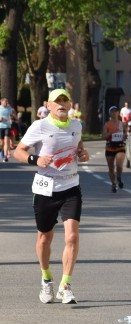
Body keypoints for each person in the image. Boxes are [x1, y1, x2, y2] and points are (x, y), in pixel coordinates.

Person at [13, 88, 91, 304]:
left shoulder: (76, 125)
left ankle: (65, 285)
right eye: (57, 101)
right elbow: (18, 151)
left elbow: (79, 147)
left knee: (72, 236)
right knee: (44, 237)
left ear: (70, 104)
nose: (61, 104)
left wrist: (83, 154)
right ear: (48, 105)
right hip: (45, 189)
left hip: (71, 186)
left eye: (65, 100)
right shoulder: (39, 126)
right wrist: (34, 160)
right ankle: (46, 279)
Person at [102, 106, 127, 192]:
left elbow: (125, 135)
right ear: (110, 113)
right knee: (111, 168)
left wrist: (125, 136)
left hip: (120, 146)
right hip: (110, 147)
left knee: (119, 165)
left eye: (116, 111)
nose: (114, 113)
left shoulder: (122, 124)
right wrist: (110, 133)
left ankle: (119, 177)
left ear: (118, 113)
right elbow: (104, 137)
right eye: (112, 111)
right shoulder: (107, 124)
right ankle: (113, 183)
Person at [0, 97, 14, 162]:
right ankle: (1, 152)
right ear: (1, 101)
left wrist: (11, 117)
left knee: (6, 141)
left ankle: (5, 156)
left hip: (7, 126)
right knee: (1, 143)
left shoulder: (9, 108)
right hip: (0, 127)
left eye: (7, 101)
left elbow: (11, 115)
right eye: (5, 101)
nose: (7, 103)